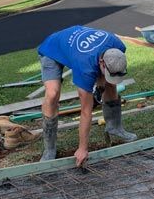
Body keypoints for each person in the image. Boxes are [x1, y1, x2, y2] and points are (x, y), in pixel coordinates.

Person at [37, 25, 137, 166]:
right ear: (101, 63)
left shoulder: (118, 46)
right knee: (52, 94)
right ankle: (49, 149)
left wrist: (101, 85)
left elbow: (106, 74)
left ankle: (114, 127)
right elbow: (85, 111)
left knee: (110, 84)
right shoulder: (84, 66)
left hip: (76, 46)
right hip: (52, 49)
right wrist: (83, 148)